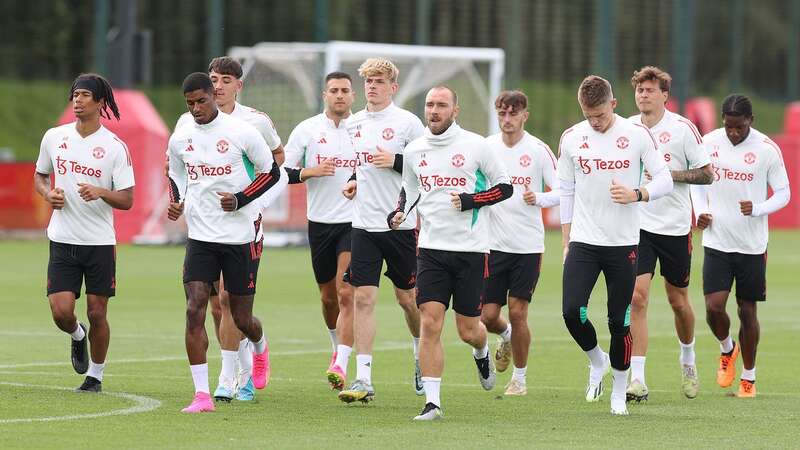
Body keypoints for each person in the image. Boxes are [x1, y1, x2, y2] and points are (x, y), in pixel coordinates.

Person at [388, 86, 511, 420]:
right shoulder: (414, 150)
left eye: (442, 105)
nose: (434, 110)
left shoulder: (476, 146)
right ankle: (433, 403)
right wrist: (399, 212)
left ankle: (483, 350)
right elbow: (409, 190)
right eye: (429, 105)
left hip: (471, 250)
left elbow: (505, 187)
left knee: (468, 330)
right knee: (429, 323)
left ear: (455, 110)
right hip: (430, 249)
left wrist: (473, 200)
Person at [174, 57, 288, 402]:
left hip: (243, 226)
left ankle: (252, 357)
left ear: (237, 85)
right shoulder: (184, 126)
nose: (219, 85)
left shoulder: (252, 124)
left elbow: (275, 166)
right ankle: (215, 386)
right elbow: (176, 167)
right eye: (214, 78)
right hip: (203, 231)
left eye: (225, 80)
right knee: (202, 305)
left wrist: (245, 198)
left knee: (233, 306)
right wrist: (178, 198)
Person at [558, 75, 673, 415]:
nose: (594, 122)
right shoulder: (572, 138)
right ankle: (597, 361)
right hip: (583, 241)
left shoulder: (637, 136)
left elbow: (665, 179)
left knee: (618, 322)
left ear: (614, 104)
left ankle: (619, 394)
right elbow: (567, 191)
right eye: (588, 115)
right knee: (571, 312)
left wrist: (638, 194)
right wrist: (566, 240)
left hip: (623, 244)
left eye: (600, 115)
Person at [34, 73, 134, 393]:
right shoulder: (54, 137)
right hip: (62, 239)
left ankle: (96, 376)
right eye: (75, 94)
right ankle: (78, 335)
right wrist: (47, 194)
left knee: (97, 312)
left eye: (85, 95)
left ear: (100, 102)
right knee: (61, 311)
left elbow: (128, 199)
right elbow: (40, 175)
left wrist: (102, 192)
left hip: (99, 243)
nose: (78, 100)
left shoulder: (115, 148)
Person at [691, 94, 790, 398]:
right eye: (729, 126)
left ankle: (749, 378)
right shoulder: (708, 142)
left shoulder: (766, 150)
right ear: (723, 121)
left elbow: (784, 193)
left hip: (751, 245)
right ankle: (727, 349)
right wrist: (699, 211)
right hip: (718, 240)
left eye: (740, 127)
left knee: (747, 311)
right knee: (713, 308)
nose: (734, 132)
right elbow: (697, 181)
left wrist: (758, 208)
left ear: (751, 121)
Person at [337, 58, 424, 403]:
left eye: (378, 81)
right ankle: (364, 378)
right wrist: (353, 181)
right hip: (364, 226)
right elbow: (362, 167)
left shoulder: (409, 123)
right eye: (368, 81)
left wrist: (397, 161)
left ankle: (420, 354)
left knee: (408, 300)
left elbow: (425, 169)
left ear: (393, 87)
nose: (371, 86)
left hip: (401, 225)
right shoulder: (353, 124)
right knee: (363, 297)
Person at [626, 66, 713, 402]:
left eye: (650, 90)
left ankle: (688, 358)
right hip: (637, 225)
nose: (643, 95)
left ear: (665, 95)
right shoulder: (628, 129)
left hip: (675, 227)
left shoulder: (682, 129)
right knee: (637, 297)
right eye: (640, 90)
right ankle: (638, 379)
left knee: (678, 303)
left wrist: (667, 175)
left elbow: (707, 175)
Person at [481, 90, 559, 396]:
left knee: (518, 311)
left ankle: (520, 379)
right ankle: (507, 336)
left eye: (513, 114)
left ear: (525, 115)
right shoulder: (485, 148)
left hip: (527, 246)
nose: (507, 119)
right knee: (487, 316)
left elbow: (563, 190)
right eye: (502, 113)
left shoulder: (538, 150)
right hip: (491, 245)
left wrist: (538, 198)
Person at [282, 71, 357, 389]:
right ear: (324, 95)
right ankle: (335, 347)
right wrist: (310, 171)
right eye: (334, 90)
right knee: (328, 298)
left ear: (353, 96)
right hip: (320, 224)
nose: (340, 95)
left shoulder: (363, 129)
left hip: (356, 222)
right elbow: (282, 172)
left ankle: (341, 362)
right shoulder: (307, 130)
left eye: (345, 90)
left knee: (345, 291)